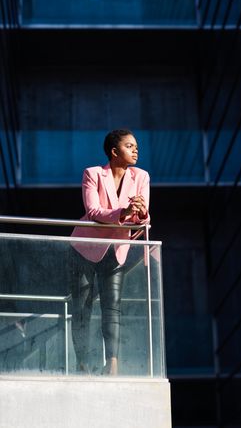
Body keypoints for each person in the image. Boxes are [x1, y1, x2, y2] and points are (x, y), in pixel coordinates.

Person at [70, 129, 150, 375]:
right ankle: (82, 362)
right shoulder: (92, 174)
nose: (136, 149)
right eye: (129, 146)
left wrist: (142, 213)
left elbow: (142, 219)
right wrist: (123, 213)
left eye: (136, 145)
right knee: (82, 307)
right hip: (85, 249)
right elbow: (93, 212)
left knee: (112, 306)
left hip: (117, 251)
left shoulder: (141, 176)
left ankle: (112, 362)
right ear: (114, 152)